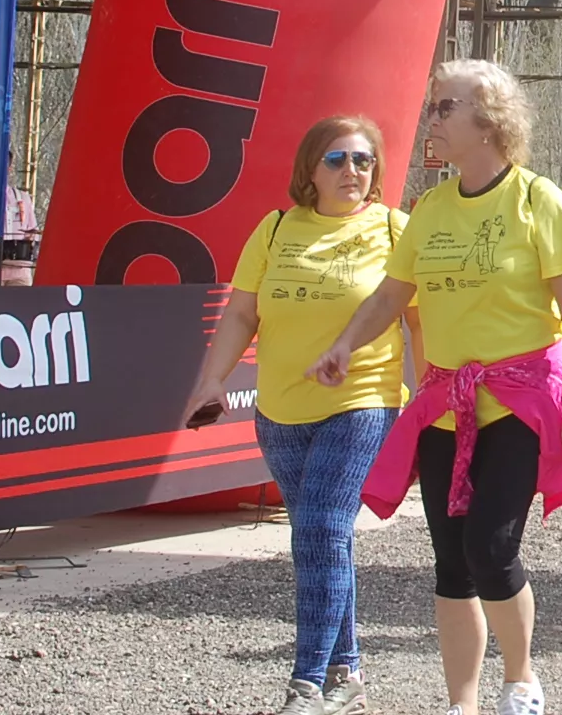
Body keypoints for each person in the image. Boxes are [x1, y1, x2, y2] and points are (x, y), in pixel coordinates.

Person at [312, 62, 562, 715]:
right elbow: (391, 297)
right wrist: (344, 345)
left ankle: (520, 679)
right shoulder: (430, 209)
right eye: (433, 107)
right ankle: (460, 704)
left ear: (488, 122)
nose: (431, 120)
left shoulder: (538, 200)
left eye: (445, 108)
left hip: (519, 400)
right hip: (444, 404)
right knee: (451, 563)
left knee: (491, 549)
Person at [186, 115, 411, 715]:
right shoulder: (276, 228)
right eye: (337, 159)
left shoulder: (395, 230)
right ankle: (347, 672)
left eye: (363, 160)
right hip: (280, 410)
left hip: (362, 402)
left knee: (322, 529)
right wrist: (211, 381)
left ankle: (306, 683)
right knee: (320, 539)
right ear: (310, 169)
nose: (352, 170)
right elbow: (242, 314)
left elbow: (419, 321)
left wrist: (437, 399)